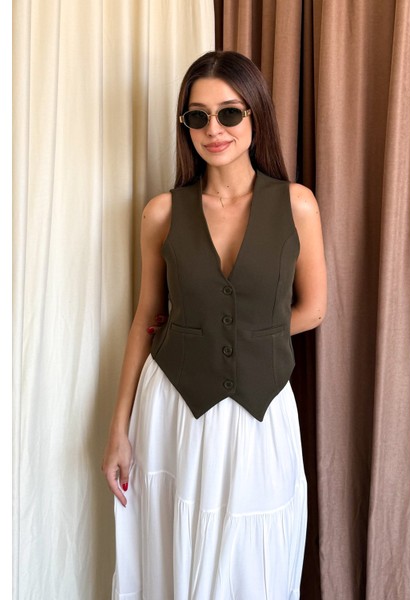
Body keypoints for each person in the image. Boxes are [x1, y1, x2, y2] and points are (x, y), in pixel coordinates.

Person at [102, 50, 327, 600]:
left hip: (261, 411)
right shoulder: (161, 212)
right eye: (197, 116)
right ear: (186, 125)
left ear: (255, 115)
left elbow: (315, 308)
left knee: (253, 557)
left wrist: (244, 337)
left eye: (229, 113)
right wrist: (118, 429)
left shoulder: (297, 205)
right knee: (177, 549)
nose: (214, 129)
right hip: (175, 408)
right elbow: (146, 318)